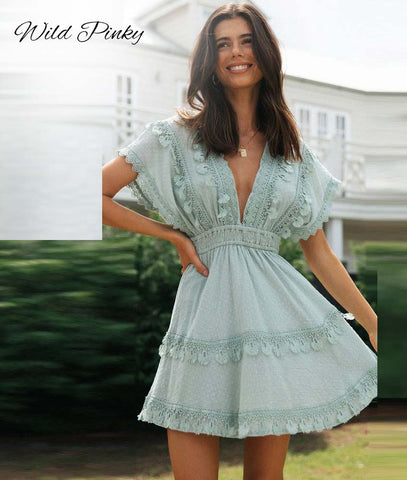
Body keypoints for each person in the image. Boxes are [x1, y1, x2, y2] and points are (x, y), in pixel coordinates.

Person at [102, 3, 378, 479]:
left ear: (265, 54)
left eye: (247, 41)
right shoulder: (173, 137)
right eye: (223, 44)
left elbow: (319, 253)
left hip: (276, 326)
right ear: (209, 61)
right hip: (203, 317)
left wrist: (373, 324)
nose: (236, 53)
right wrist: (171, 235)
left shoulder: (294, 152)